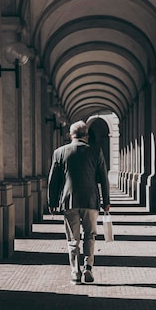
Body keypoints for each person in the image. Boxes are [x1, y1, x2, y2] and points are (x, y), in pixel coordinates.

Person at [47, 120, 110, 284]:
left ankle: (75, 272)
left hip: (69, 201)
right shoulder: (96, 151)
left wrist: (52, 202)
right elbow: (104, 178)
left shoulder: (59, 152)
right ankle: (88, 267)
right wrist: (106, 201)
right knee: (90, 235)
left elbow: (53, 181)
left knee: (72, 239)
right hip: (91, 200)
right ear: (86, 136)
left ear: (71, 135)